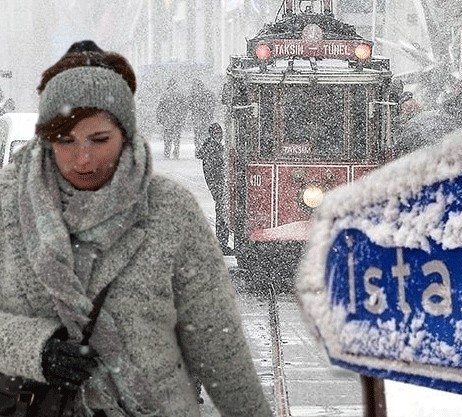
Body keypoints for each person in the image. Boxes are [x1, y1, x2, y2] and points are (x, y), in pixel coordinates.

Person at [0, 40, 271, 417]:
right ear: (46, 139)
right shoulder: (7, 207)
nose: (83, 158)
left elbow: (219, 345)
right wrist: (37, 350)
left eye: (99, 140)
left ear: (125, 136)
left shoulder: (170, 210)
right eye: (65, 141)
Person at [196, 122, 231, 254]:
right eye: (216, 133)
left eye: (220, 133)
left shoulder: (212, 147)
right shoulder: (213, 149)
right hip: (219, 185)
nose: (219, 136)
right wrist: (218, 187)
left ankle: (222, 242)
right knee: (222, 212)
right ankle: (221, 243)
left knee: (222, 212)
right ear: (212, 134)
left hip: (218, 185)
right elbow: (213, 171)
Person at [156, 78, 187, 159]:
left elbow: (160, 108)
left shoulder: (165, 95)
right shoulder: (180, 95)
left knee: (167, 137)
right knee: (177, 137)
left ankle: (167, 151)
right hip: (177, 120)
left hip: (167, 120)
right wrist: (182, 118)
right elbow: (184, 108)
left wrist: (159, 118)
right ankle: (176, 151)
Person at [188, 79, 216, 155]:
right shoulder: (208, 93)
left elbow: (189, 105)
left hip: (197, 118)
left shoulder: (193, 95)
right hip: (206, 118)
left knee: (197, 135)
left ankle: (198, 150)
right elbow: (213, 104)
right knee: (205, 134)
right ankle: (205, 149)